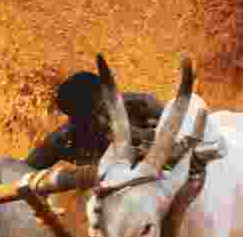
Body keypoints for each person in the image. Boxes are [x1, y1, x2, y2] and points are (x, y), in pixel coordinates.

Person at [25, 70, 164, 170]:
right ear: (76, 121)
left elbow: (180, 128)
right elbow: (23, 171)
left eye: (104, 110)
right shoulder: (66, 140)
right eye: (91, 118)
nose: (102, 121)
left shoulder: (140, 105)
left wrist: (143, 137)